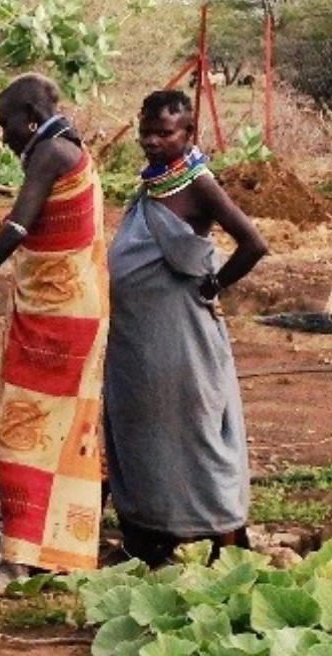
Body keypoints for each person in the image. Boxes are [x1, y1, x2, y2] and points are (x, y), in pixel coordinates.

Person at [0, 73, 108, 598]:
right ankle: (56, 553)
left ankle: (16, 565)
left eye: (5, 122)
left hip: (60, 321)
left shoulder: (51, 153)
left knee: (26, 432)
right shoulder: (67, 149)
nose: (3, 134)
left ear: (30, 115)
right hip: (69, 312)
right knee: (60, 436)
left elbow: (17, 226)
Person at [103, 89, 268, 567]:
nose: (152, 141)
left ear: (189, 134)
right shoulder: (154, 183)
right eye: (146, 131)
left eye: (164, 133)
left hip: (181, 340)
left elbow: (253, 244)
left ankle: (227, 538)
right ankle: (150, 538)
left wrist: (215, 285)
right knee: (142, 432)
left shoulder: (198, 185)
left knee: (195, 432)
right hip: (138, 341)